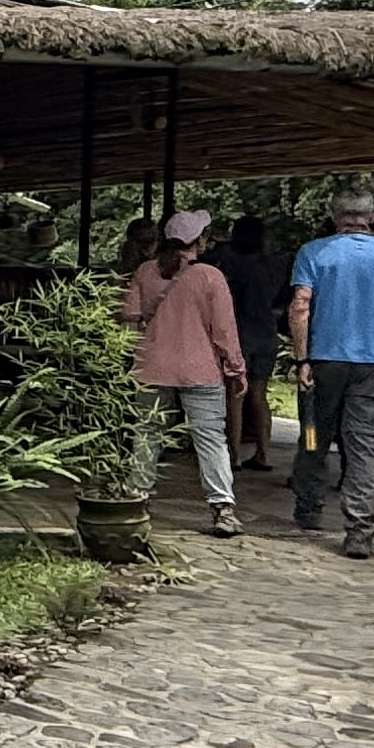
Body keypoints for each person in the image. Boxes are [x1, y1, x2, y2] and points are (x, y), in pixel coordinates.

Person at [289, 192, 374, 559]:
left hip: (322, 363)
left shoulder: (313, 252)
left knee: (313, 434)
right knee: (364, 447)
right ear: (372, 216)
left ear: (335, 218)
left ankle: (308, 509)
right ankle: (359, 531)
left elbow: (300, 306)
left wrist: (301, 359)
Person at [123, 208, 247, 536]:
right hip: (200, 369)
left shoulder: (145, 272)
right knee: (209, 438)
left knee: (147, 433)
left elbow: (130, 318)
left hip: (151, 365)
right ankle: (222, 508)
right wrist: (236, 367)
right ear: (198, 241)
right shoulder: (210, 276)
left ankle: (137, 496)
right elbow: (224, 330)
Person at [216, 213, 288, 467]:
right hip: (267, 333)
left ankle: (233, 454)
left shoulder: (233, 264)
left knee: (235, 395)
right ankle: (263, 452)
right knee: (259, 395)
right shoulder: (274, 265)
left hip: (239, 334)